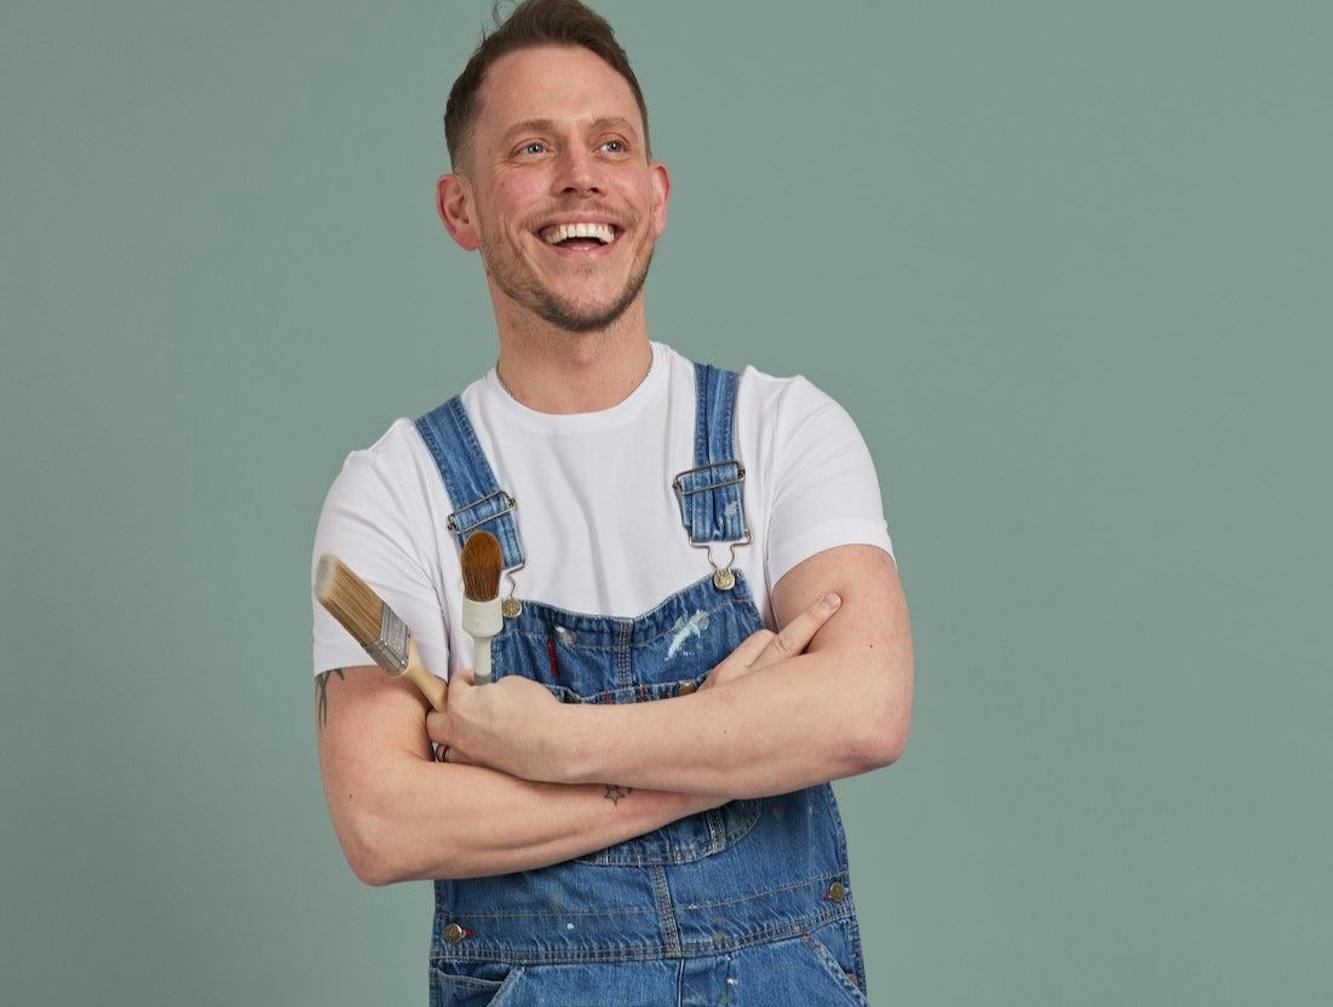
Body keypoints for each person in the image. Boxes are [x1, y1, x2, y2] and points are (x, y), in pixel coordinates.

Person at [310, 0, 913, 1002]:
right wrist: (728, 740)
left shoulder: (783, 431)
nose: (579, 176)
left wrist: (555, 746)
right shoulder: (394, 489)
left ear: (656, 191)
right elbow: (384, 822)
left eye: (611, 143)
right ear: (459, 208)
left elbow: (864, 708)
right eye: (532, 148)